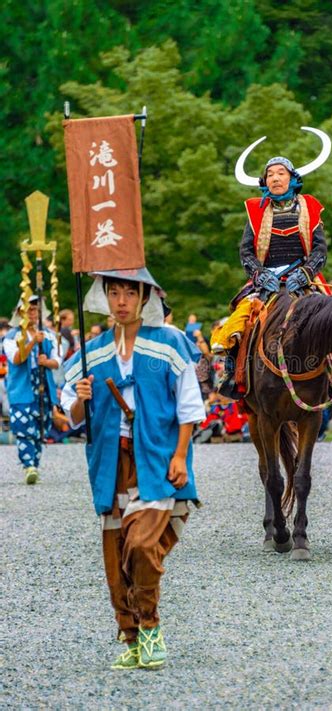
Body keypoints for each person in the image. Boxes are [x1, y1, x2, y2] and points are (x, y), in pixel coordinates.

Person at [61, 268, 205, 670]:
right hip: (111, 464)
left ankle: (151, 625)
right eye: (114, 292)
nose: (122, 300)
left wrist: (180, 456)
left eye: (130, 292)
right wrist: (80, 400)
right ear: (104, 297)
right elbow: (71, 417)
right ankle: (132, 636)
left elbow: (189, 405)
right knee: (115, 558)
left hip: (156, 461)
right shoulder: (93, 352)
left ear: (145, 298)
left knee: (141, 545)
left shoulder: (170, 343)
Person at [212, 130, 331, 394]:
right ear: (264, 180)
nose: (275, 178)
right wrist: (258, 274)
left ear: (292, 178)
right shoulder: (255, 211)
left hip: (303, 277)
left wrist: (307, 271)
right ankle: (234, 373)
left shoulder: (309, 207)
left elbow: (321, 249)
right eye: (270, 174)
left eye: (281, 173)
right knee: (240, 318)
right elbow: (245, 251)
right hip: (266, 280)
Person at [3, 295, 61, 484]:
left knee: (41, 428)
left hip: (43, 388)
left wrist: (48, 362)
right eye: (29, 309)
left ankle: (34, 462)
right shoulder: (11, 337)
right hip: (22, 389)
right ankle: (28, 465)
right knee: (23, 427)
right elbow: (17, 358)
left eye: (36, 309)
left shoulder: (49, 335)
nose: (33, 313)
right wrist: (31, 342)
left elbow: (57, 360)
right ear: (20, 313)